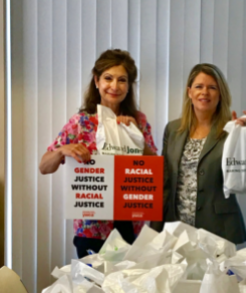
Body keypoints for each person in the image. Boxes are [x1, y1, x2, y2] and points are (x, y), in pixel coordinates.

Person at [39, 49, 158, 258]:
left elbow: (154, 168)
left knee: (126, 288)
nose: (114, 86)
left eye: (122, 80)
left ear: (129, 86)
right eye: (108, 78)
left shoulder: (138, 121)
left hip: (130, 224)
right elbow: (44, 166)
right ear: (96, 81)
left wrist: (138, 137)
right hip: (91, 228)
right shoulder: (81, 123)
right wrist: (61, 151)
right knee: (91, 289)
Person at [152, 63, 246, 244]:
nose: (204, 92)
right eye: (199, 86)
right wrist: (155, 228)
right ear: (189, 92)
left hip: (217, 229)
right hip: (176, 229)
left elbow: (243, 177)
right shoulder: (173, 129)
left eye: (212, 87)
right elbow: (165, 181)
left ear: (220, 93)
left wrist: (244, 138)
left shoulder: (231, 129)